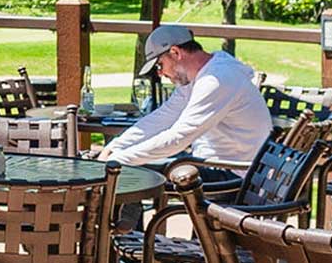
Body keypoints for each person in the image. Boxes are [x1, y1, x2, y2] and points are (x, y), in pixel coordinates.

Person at [99, 22, 273, 183]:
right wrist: (114, 147)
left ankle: (122, 217)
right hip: (211, 164)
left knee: (130, 172)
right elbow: (162, 117)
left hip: (234, 176)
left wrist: (118, 160)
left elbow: (179, 138)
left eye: (159, 65)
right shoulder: (200, 76)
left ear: (175, 53)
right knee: (131, 168)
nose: (160, 73)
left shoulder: (217, 79)